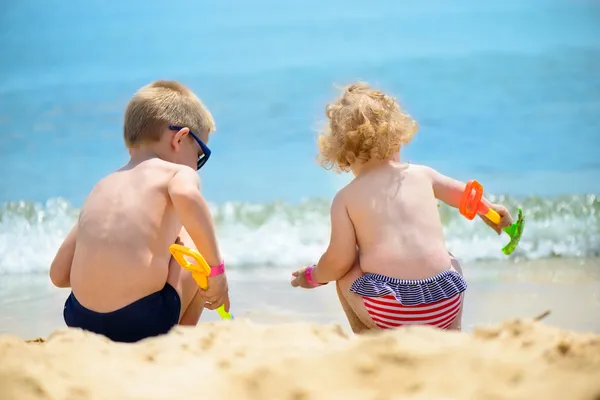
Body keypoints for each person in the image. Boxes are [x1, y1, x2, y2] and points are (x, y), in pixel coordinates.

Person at [290, 82, 513, 333]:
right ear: (397, 137)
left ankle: (370, 339)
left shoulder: (345, 198)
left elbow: (338, 261)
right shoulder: (423, 174)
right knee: (448, 258)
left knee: (346, 271)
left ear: (342, 154)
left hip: (390, 312)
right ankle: (453, 332)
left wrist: (313, 276)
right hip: (444, 304)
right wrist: (490, 210)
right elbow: (464, 196)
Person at [49, 80, 230, 343]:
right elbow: (188, 196)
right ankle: (180, 339)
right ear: (180, 139)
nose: (197, 165)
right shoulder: (177, 174)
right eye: (201, 155)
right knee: (193, 240)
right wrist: (217, 272)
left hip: (79, 319)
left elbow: (58, 275)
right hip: (142, 320)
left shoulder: (103, 185)